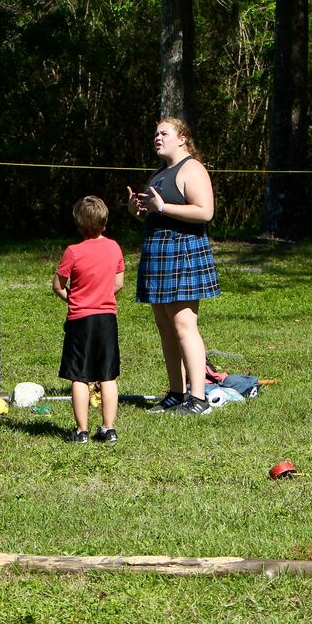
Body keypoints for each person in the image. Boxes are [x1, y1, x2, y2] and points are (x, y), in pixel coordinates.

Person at [127, 118, 220, 415]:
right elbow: (158, 214)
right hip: (159, 253)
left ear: (182, 138)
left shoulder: (192, 168)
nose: (157, 138)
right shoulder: (160, 173)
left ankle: (198, 398)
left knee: (184, 326)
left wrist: (163, 207)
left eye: (164, 133)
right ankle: (176, 394)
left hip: (182, 252)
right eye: (155, 133)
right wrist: (139, 212)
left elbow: (205, 211)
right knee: (166, 327)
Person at [52, 196, 124, 444]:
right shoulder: (114, 248)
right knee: (108, 374)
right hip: (106, 318)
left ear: (79, 224)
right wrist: (102, 295)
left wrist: (73, 298)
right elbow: (119, 283)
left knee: (79, 376)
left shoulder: (73, 252)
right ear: (104, 222)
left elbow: (57, 286)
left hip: (80, 320)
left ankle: (82, 431)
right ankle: (109, 428)